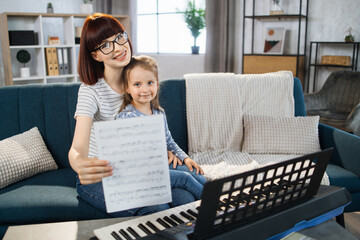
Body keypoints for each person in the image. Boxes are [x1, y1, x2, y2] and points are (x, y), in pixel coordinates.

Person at [68, 13, 203, 217]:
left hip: (139, 170)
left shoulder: (138, 79)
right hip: (102, 177)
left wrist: (158, 151)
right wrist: (79, 163)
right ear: (95, 55)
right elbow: (77, 148)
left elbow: (154, 129)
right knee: (157, 210)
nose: (118, 48)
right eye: (105, 45)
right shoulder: (91, 91)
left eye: (119, 38)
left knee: (184, 198)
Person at [116, 55, 206, 186]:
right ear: (127, 88)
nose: (145, 89)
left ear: (157, 84)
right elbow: (130, 154)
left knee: (199, 179)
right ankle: (217, 205)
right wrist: (162, 153)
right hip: (146, 173)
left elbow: (169, 141)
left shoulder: (159, 113)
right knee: (187, 179)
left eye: (150, 83)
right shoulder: (126, 117)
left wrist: (185, 158)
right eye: (137, 84)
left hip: (165, 165)